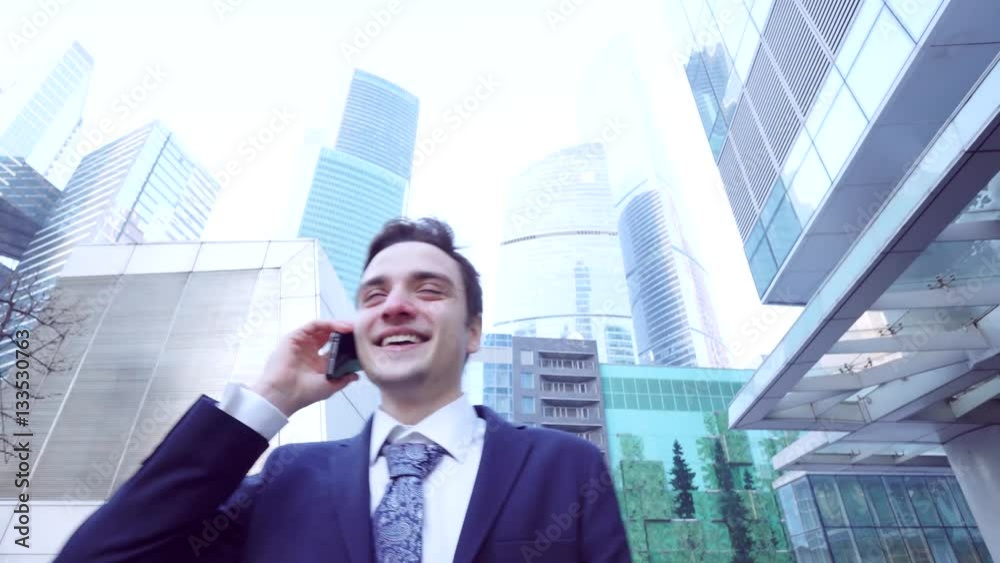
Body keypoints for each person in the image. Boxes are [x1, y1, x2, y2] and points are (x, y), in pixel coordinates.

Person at [54, 217, 631, 563]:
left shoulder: (564, 466)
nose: (395, 305)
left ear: (474, 331)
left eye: (429, 290)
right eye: (374, 296)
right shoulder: (288, 478)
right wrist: (269, 398)